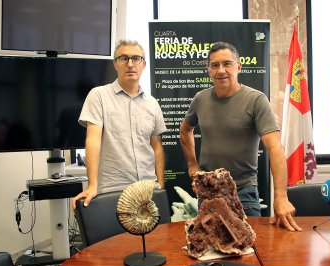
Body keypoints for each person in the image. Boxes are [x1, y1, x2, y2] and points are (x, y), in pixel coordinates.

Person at [180, 41, 301, 231]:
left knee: (250, 250)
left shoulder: (256, 100)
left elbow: (275, 148)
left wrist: (281, 196)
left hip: (243, 192)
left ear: (239, 66)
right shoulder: (200, 99)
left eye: (227, 63)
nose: (221, 70)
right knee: (210, 250)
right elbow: (185, 130)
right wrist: (192, 165)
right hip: (208, 192)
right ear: (209, 70)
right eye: (215, 65)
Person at [72, 40, 167, 209]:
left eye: (136, 59)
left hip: (148, 189)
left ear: (143, 64)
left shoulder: (152, 103)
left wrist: (160, 183)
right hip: (112, 189)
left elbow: (156, 146)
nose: (130, 64)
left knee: (153, 237)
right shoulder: (99, 96)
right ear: (115, 64)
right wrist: (92, 184)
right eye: (124, 58)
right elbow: (92, 140)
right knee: (115, 236)